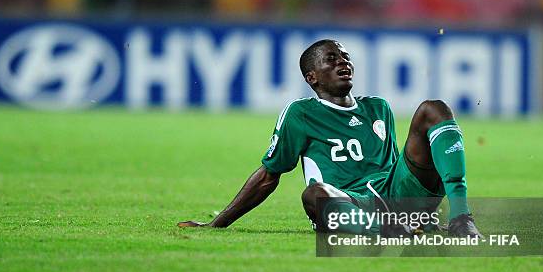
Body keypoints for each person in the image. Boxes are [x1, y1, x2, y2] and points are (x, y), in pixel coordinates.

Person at [178, 39, 482, 238]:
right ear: (312, 77)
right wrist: (217, 223)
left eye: (346, 57)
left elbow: (396, 165)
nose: (343, 62)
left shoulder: (378, 107)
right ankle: (391, 230)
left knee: (434, 109)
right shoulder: (301, 114)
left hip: (395, 194)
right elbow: (268, 176)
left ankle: (461, 219)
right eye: (332, 59)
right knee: (315, 193)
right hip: (348, 204)